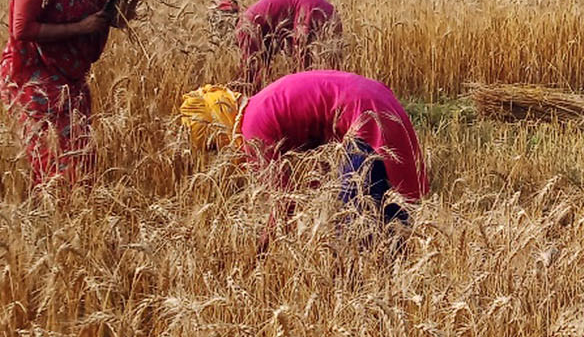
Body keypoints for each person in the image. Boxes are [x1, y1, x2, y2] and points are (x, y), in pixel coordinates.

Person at [179, 70, 427, 247]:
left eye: (214, 145)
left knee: (352, 223)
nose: (220, 151)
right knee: (385, 203)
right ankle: (398, 272)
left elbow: (283, 200)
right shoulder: (260, 105)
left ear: (217, 122)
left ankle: (369, 285)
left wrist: (263, 249)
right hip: (373, 98)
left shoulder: (252, 130)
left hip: (362, 112)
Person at [0, 0, 132, 188]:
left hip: (71, 77)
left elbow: (108, 17)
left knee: (79, 148)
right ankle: (52, 203)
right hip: (35, 75)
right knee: (50, 152)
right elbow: (21, 29)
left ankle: (76, 204)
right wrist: (81, 28)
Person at [218, 0, 342, 86]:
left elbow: (252, 71)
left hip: (309, 9)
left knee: (303, 70)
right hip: (325, 8)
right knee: (327, 65)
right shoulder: (251, 18)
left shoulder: (244, 27)